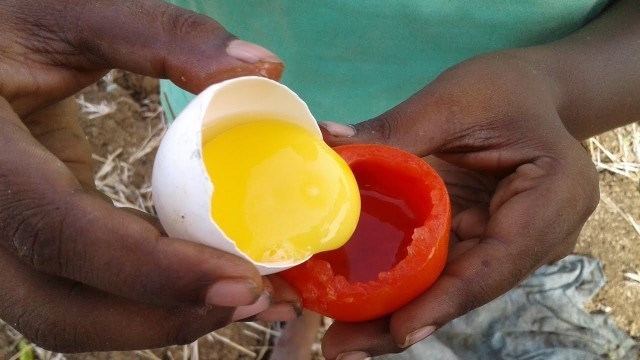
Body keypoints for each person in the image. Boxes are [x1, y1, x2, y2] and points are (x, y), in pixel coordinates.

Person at [0, 0, 637, 360]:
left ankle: (301, 309)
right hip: (227, 97)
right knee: (281, 275)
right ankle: (297, 315)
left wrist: (557, 86)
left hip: (473, 140)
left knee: (301, 270)